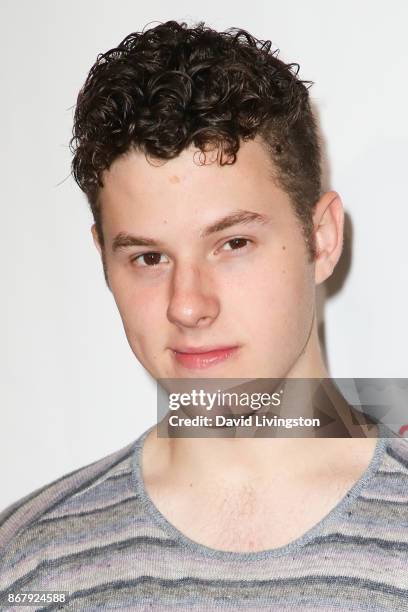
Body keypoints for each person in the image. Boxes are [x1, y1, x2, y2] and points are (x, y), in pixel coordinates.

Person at [0, 20, 407, 610]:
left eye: (233, 244)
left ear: (321, 239)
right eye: (148, 257)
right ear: (104, 262)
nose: (187, 305)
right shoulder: (30, 565)